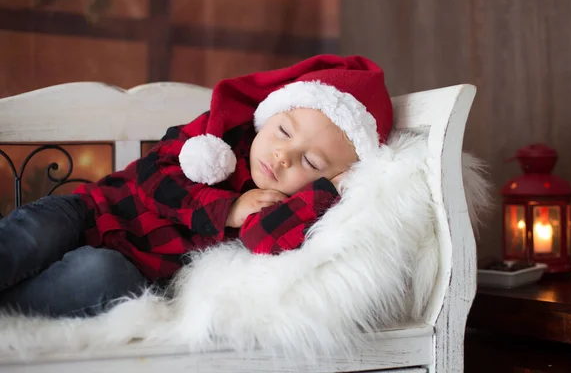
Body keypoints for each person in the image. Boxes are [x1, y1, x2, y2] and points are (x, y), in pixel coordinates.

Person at [0, 54, 394, 317]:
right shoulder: (216, 138)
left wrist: (328, 191)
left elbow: (265, 240)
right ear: (269, 115)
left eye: (309, 162)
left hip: (133, 269)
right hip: (92, 210)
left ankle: (11, 310)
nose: (282, 157)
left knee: (101, 275)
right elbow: (156, 176)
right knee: (36, 232)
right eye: (283, 131)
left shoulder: (280, 204)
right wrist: (229, 210)